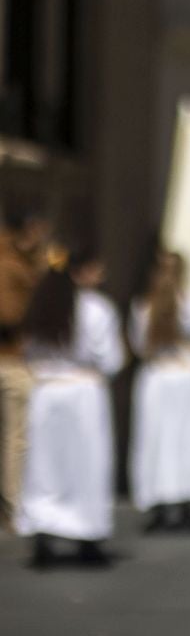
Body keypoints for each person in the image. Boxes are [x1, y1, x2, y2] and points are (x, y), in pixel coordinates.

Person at [16, 247, 124, 568]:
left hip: (46, 391)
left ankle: (43, 531)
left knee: (44, 466)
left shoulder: (38, 306)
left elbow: (28, 351)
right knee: (86, 464)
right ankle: (87, 536)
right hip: (83, 393)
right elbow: (111, 359)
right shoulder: (96, 309)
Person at [129, 248, 190, 530]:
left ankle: (158, 500)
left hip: (157, 377)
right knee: (185, 440)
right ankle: (184, 500)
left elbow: (138, 346)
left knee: (156, 441)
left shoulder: (142, 309)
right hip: (186, 376)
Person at [0, 220, 47, 524]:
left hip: (13, 359)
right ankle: (15, 504)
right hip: (12, 359)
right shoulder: (12, 266)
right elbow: (10, 313)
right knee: (17, 437)